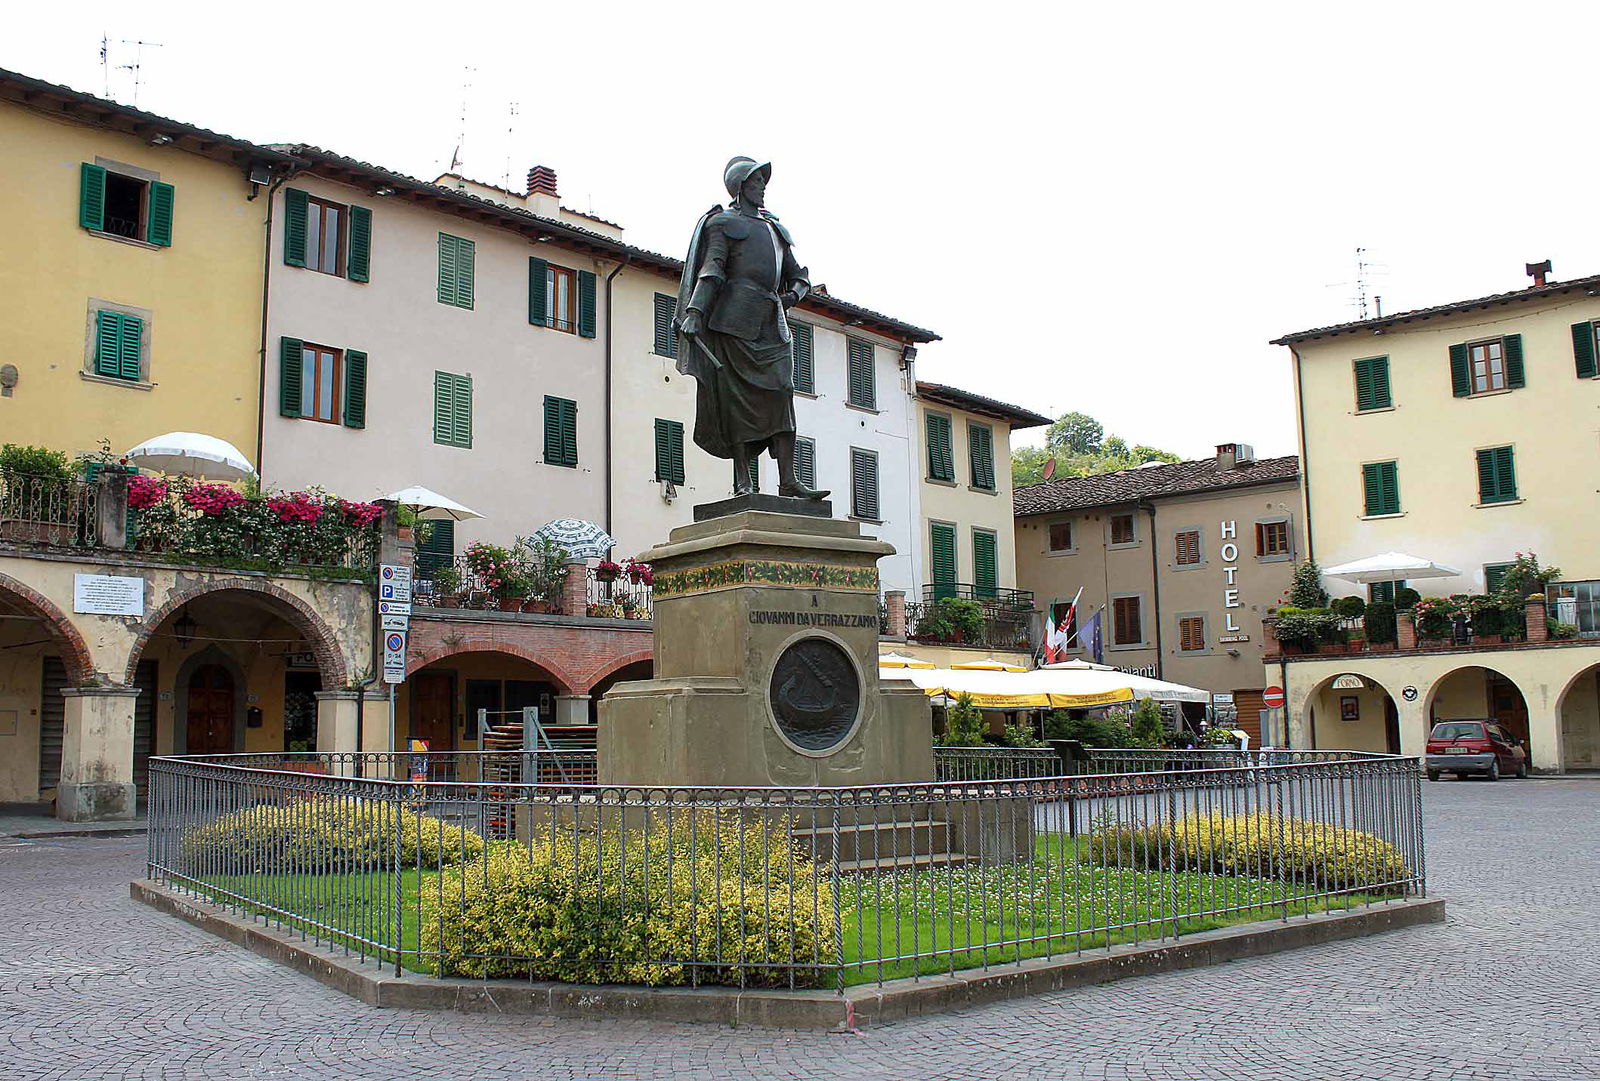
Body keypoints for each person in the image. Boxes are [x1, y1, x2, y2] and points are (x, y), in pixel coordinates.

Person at [674, 157, 828, 499]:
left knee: (783, 393)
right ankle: (743, 481)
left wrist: (792, 295)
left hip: (772, 322)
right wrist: (695, 312)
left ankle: (788, 480)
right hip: (734, 321)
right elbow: (712, 270)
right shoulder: (724, 223)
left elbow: (798, 274)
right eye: (757, 181)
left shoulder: (775, 229)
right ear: (741, 185)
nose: (763, 187)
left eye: (763, 181)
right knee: (737, 403)